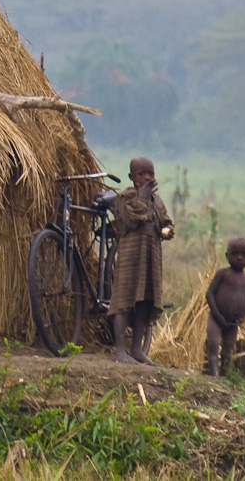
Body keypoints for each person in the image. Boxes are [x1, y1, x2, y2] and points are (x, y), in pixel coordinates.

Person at [109, 156, 174, 365]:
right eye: (141, 174)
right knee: (123, 300)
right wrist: (141, 198)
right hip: (130, 257)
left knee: (146, 301)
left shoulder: (157, 202)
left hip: (151, 258)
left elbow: (165, 221)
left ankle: (136, 349)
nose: (147, 178)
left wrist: (168, 230)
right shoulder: (125, 198)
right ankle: (119, 350)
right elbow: (127, 221)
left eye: (150, 174)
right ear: (131, 177)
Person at [205, 236, 245, 377]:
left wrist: (242, 318)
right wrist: (218, 315)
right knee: (213, 345)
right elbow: (209, 294)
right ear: (227, 255)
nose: (239, 258)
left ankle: (224, 377)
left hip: (233, 324)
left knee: (227, 351)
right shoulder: (223, 273)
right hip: (216, 319)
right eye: (234, 254)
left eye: (244, 255)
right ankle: (213, 375)